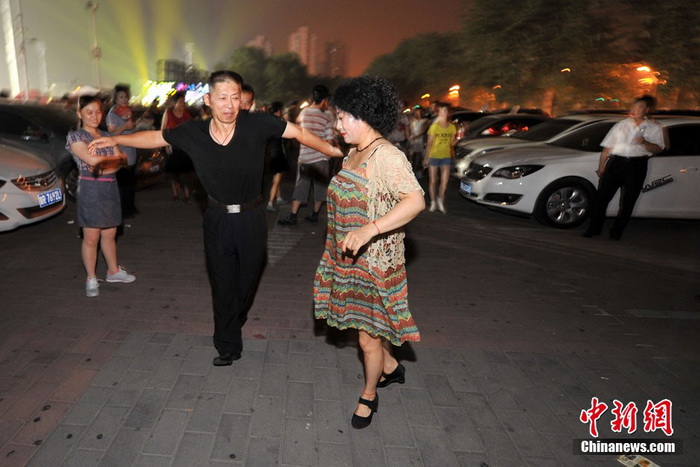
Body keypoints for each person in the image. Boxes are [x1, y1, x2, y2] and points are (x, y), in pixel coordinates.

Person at [89, 70, 343, 366]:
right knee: (223, 284)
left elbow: (298, 132)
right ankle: (227, 344)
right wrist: (116, 141)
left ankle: (235, 318)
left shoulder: (257, 124)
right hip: (216, 218)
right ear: (208, 100)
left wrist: (333, 151)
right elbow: (156, 137)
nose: (229, 104)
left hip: (251, 218)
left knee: (246, 282)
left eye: (235, 98)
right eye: (222, 97)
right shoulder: (194, 132)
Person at [313, 75, 425, 429]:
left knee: (367, 337)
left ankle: (369, 395)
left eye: (344, 117)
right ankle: (391, 367)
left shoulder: (387, 157)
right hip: (346, 259)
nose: (338, 123)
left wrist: (370, 229)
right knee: (357, 326)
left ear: (364, 117)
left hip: (374, 263)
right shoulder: (354, 152)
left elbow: (416, 200)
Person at [67, 95, 136, 297]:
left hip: (110, 188)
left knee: (110, 234)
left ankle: (113, 271)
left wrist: (106, 161)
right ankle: (90, 277)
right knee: (91, 237)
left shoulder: (106, 135)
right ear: (79, 114)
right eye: (89, 112)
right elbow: (92, 161)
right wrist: (109, 160)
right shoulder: (75, 136)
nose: (94, 116)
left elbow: (123, 160)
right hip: (91, 189)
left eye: (98, 111)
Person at [583, 95, 664, 240]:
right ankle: (594, 228)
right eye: (634, 106)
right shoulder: (621, 124)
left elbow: (658, 148)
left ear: (647, 109)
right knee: (602, 198)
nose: (636, 110)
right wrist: (602, 166)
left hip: (637, 165)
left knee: (628, 201)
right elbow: (608, 147)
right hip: (616, 163)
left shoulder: (654, 127)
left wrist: (644, 142)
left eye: (640, 107)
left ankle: (617, 232)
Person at [278, 85, 335, 225]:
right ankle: (315, 214)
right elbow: (329, 140)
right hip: (321, 158)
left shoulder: (304, 113)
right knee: (320, 187)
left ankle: (293, 216)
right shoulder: (327, 116)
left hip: (305, 157)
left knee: (301, 186)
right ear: (325, 100)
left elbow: (297, 124)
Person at [106, 84, 138, 218]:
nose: (124, 99)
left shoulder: (127, 111)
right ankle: (123, 210)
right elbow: (111, 134)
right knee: (122, 185)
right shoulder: (113, 114)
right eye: (121, 97)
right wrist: (125, 126)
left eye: (125, 96)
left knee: (131, 183)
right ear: (115, 99)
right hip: (120, 152)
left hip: (131, 151)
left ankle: (131, 207)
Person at [423, 102, 457, 213]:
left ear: (448, 113)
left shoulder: (452, 127)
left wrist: (459, 138)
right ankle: (433, 201)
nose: (444, 113)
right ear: (438, 113)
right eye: (441, 111)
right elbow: (429, 143)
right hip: (434, 156)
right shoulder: (434, 127)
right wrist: (426, 157)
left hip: (446, 156)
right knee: (433, 181)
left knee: (445, 181)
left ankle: (440, 200)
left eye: (446, 111)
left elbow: (452, 144)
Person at [162, 91, 194, 202]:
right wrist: (165, 143)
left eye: (183, 102)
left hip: (184, 147)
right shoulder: (169, 113)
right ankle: (175, 193)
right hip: (173, 146)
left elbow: (191, 130)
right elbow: (163, 129)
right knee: (173, 172)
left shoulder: (187, 115)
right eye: (180, 102)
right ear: (174, 102)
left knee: (186, 172)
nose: (182, 105)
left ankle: (186, 195)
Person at [265, 101, 290, 212]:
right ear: (279, 111)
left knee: (277, 177)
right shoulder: (279, 122)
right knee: (277, 179)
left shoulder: (267, 121)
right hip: (278, 153)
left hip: (271, 153)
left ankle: (279, 197)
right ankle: (270, 202)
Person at [408, 107, 429, 176]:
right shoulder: (412, 120)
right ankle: (411, 169)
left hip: (420, 140)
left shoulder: (425, 121)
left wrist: (416, 136)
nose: (418, 113)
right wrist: (410, 137)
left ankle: (418, 170)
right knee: (411, 154)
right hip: (413, 139)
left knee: (419, 155)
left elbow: (424, 130)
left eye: (420, 112)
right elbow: (409, 129)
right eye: (417, 112)